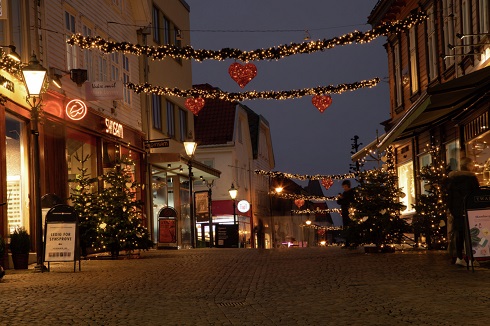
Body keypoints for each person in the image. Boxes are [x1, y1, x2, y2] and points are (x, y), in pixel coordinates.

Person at [447, 157, 480, 267]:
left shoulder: (453, 180)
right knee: (472, 234)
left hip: (457, 211)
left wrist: (452, 210)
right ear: (469, 165)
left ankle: (459, 257)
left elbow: (449, 197)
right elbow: (476, 195)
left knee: (459, 233)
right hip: (470, 209)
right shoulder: (471, 179)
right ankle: (471, 258)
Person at [337, 179, 355, 247]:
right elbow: (339, 202)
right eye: (343, 187)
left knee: (350, 226)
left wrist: (343, 199)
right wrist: (340, 198)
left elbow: (349, 201)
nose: (344, 188)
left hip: (350, 212)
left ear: (348, 186)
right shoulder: (344, 193)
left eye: (345, 186)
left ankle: (351, 242)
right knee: (346, 227)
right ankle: (347, 242)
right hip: (344, 212)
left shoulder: (352, 192)